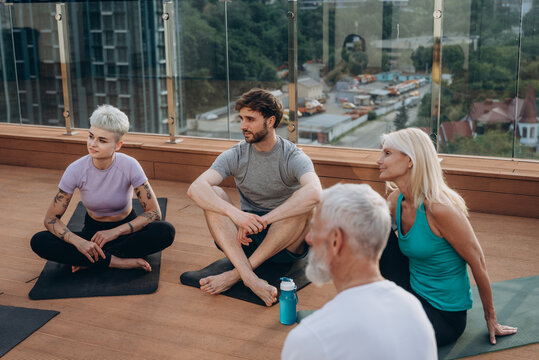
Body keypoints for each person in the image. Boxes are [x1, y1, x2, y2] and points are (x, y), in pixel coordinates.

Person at [377, 127, 517, 346]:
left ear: (410, 160)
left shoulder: (439, 209)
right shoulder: (396, 200)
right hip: (411, 288)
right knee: (372, 224)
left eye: (387, 153)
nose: (379, 160)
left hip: (443, 315)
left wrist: (491, 318)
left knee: (380, 334)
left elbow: (478, 262)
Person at [187, 88, 322, 306]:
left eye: (250, 119)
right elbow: (195, 188)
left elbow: (315, 192)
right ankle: (250, 277)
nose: (243, 126)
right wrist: (236, 215)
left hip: (284, 242)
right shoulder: (235, 154)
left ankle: (236, 275)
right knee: (213, 192)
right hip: (244, 238)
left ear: (270, 121)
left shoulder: (293, 156)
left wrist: (264, 220)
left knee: (305, 202)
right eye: (241, 119)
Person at [281, 183, 437, 360]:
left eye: (315, 227)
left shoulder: (310, 338)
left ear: (335, 240)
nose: (308, 238)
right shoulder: (413, 310)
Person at [31, 105, 175, 272]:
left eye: (102, 140)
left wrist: (116, 232)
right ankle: (116, 261)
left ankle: (90, 259)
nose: (93, 144)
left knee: (166, 231)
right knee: (39, 240)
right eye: (91, 136)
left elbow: (154, 213)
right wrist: (80, 243)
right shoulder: (75, 169)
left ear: (118, 145)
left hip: (126, 231)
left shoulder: (130, 165)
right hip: (92, 233)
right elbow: (50, 219)